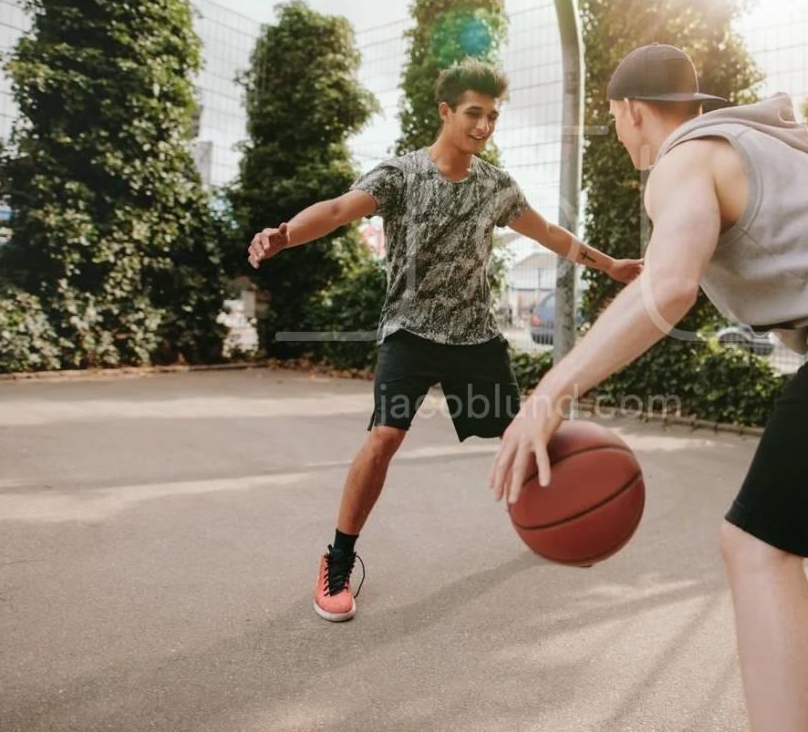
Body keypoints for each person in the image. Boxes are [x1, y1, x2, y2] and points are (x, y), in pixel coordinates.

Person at [490, 44, 808, 732]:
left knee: (756, 547)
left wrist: (549, 393)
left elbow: (672, 288)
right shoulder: (750, 144)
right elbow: (693, 268)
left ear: (633, 112)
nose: (618, 131)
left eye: (614, 118)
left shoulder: (681, 160)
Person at [248, 58, 642, 623]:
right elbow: (337, 211)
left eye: (492, 117)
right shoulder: (402, 174)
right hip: (409, 329)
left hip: (473, 337)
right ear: (446, 112)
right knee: (384, 437)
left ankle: (569, 521)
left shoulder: (495, 186)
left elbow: (551, 234)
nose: (484, 126)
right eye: (474, 114)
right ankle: (337, 558)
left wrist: (610, 267)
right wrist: (284, 235)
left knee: (528, 434)